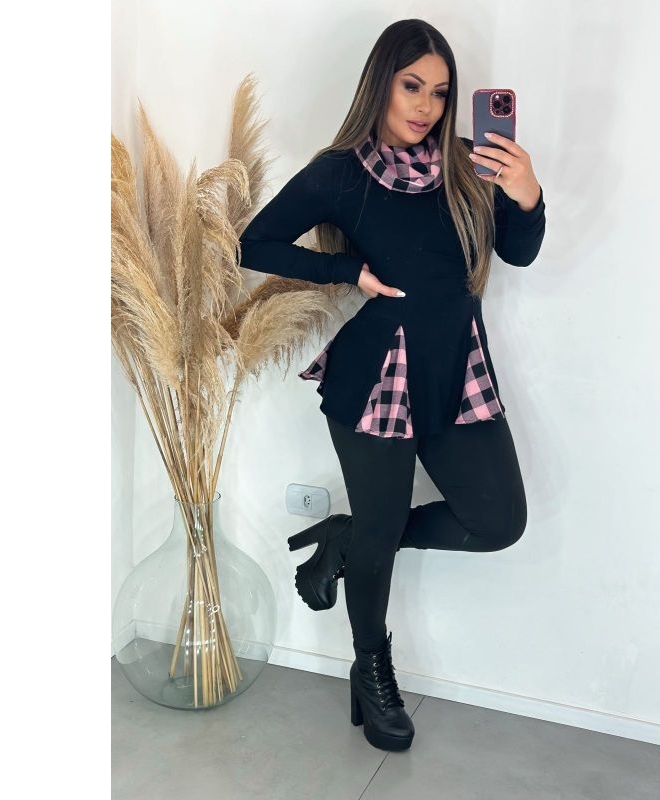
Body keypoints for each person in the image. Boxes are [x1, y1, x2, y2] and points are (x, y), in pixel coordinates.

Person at [239, 18, 546, 753]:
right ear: (381, 82)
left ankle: (349, 536)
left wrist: (527, 194)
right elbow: (255, 243)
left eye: (440, 92)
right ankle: (371, 669)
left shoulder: (472, 163)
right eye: (413, 86)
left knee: (498, 519)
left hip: (458, 371)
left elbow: (520, 252)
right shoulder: (339, 172)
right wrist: (348, 272)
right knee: (382, 536)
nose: (426, 106)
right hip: (378, 372)